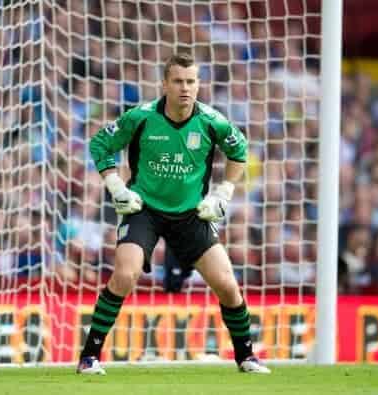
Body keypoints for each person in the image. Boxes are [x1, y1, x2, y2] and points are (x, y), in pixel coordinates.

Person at [77, 53, 270, 375]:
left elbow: (239, 151)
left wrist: (224, 192)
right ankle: (89, 357)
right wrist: (115, 186)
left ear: (199, 84)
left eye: (191, 81)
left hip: (192, 214)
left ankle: (246, 357)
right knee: (125, 274)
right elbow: (99, 144)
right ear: (164, 84)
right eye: (178, 81)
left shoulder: (212, 121)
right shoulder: (139, 118)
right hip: (144, 210)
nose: (185, 88)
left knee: (226, 284)